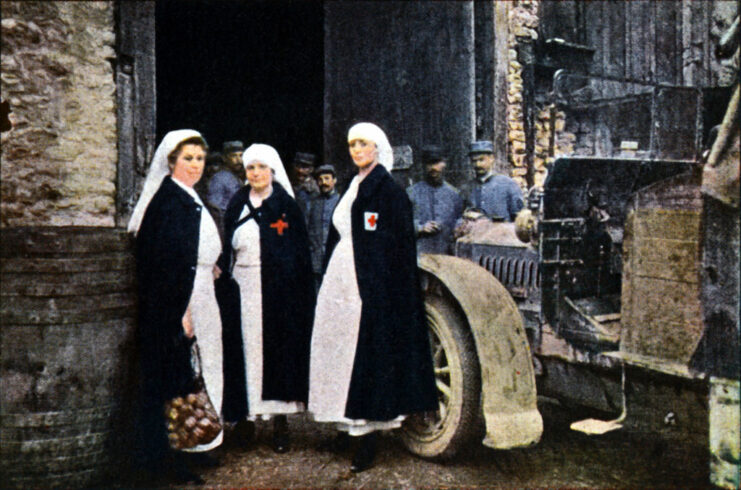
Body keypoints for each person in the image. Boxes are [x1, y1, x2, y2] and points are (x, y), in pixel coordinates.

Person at [308, 122, 438, 473]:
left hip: (369, 284)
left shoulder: (389, 191)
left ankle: (368, 437)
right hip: (342, 276)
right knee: (337, 351)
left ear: (378, 148)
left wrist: (380, 291)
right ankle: (343, 424)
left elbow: (396, 247)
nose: (356, 150)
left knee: (362, 354)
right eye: (351, 145)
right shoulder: (352, 185)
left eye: (363, 144)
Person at [127, 129, 224, 485]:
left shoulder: (187, 197)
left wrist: (209, 264)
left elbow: (190, 248)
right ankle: (166, 461)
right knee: (171, 382)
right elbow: (161, 261)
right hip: (175, 301)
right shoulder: (168, 201)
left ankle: (196, 446)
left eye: (200, 159)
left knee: (196, 374)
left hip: (196, 291)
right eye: (188, 158)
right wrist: (180, 311)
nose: (195, 165)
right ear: (171, 162)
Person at [217, 144, 315, 454]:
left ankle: (279, 424)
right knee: (246, 351)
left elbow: (299, 253)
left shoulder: (286, 205)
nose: (256, 173)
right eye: (250, 168)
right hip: (244, 287)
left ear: (272, 170)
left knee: (276, 352)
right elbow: (225, 247)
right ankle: (245, 421)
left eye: (261, 167)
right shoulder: (236, 204)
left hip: (278, 292)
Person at [407, 145, 464, 254]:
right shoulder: (411, 193)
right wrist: (420, 228)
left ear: (445, 164)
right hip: (419, 256)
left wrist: (458, 228)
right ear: (423, 166)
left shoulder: (454, 194)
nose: (433, 168)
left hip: (446, 256)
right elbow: (398, 225)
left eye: (437, 163)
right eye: (429, 163)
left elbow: (459, 221)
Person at [461, 140, 524, 221]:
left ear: (491, 159)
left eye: (481, 160)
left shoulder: (508, 185)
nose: (478, 165)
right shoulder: (467, 189)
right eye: (474, 161)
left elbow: (519, 218)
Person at [305, 164, 340, 288]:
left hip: (336, 259)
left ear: (334, 180)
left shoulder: (341, 202)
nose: (323, 182)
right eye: (320, 180)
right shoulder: (312, 204)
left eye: (327, 178)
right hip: (316, 260)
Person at [207, 140, 245, 239]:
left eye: (241, 156)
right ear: (225, 158)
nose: (239, 160)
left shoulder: (238, 178)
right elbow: (215, 210)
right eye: (234, 156)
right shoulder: (219, 179)